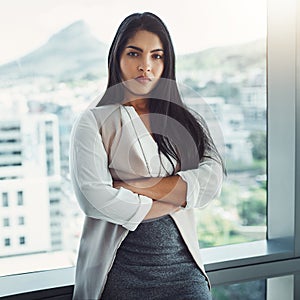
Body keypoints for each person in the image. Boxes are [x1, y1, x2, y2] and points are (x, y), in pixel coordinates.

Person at [70, 12, 224, 300]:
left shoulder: (186, 118)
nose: (146, 66)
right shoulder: (93, 121)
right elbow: (94, 200)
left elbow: (211, 182)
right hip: (120, 275)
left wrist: (132, 187)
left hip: (185, 274)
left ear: (167, 63)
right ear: (117, 58)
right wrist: (177, 193)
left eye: (157, 56)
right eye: (134, 54)